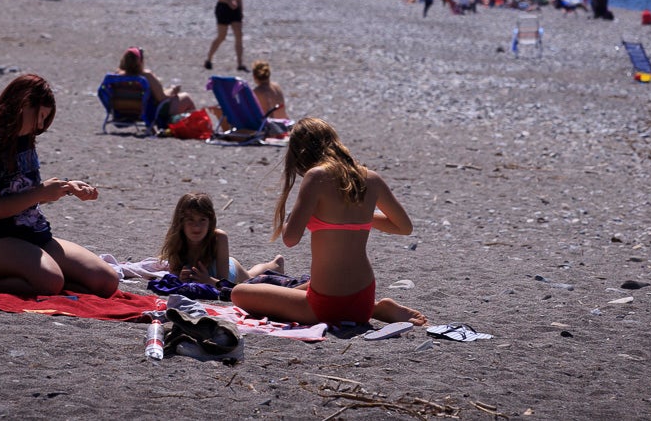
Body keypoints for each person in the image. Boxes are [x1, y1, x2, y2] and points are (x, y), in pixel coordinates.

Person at [229, 118, 426, 328]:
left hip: (323, 306)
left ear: (300, 153)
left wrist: (298, 214)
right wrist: (358, 218)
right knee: (299, 290)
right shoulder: (371, 178)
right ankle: (376, 307)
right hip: (363, 300)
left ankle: (378, 309)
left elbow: (290, 239)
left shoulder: (316, 176)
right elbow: (404, 227)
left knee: (238, 293)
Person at [0, 73, 119, 297]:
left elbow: (20, 191)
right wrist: (40, 193)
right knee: (50, 282)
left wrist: (66, 187)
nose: (41, 126)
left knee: (106, 281)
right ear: (22, 106)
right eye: (40, 117)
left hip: (34, 235)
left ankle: (44, 279)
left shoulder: (22, 139)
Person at [159, 192, 284, 286]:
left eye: (202, 220)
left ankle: (276, 264)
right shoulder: (176, 241)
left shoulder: (219, 237)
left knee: (251, 277)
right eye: (190, 220)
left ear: (210, 221)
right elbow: (174, 276)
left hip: (228, 271)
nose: (196, 226)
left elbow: (224, 284)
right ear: (181, 222)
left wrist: (207, 280)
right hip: (206, 276)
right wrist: (181, 278)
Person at [117, 46, 195, 127]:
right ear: (140, 61)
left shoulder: (116, 77)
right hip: (149, 113)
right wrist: (173, 90)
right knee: (186, 98)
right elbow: (161, 98)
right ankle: (190, 127)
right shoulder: (146, 76)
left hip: (124, 112)